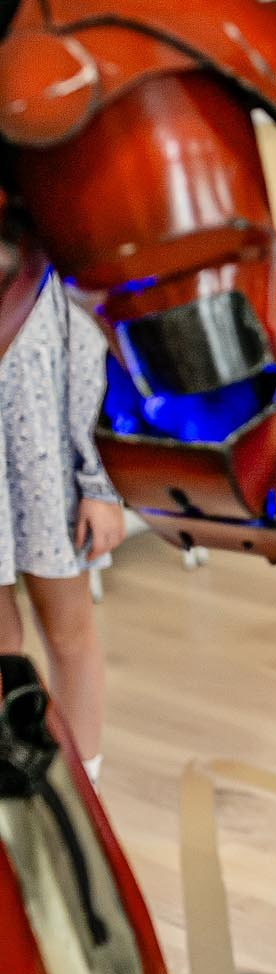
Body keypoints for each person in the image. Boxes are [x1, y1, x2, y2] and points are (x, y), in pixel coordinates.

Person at [0, 273, 125, 785]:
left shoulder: (41, 254)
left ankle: (83, 788)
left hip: (47, 473)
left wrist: (99, 484)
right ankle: (17, 800)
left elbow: (90, 361)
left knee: (70, 635)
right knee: (3, 647)